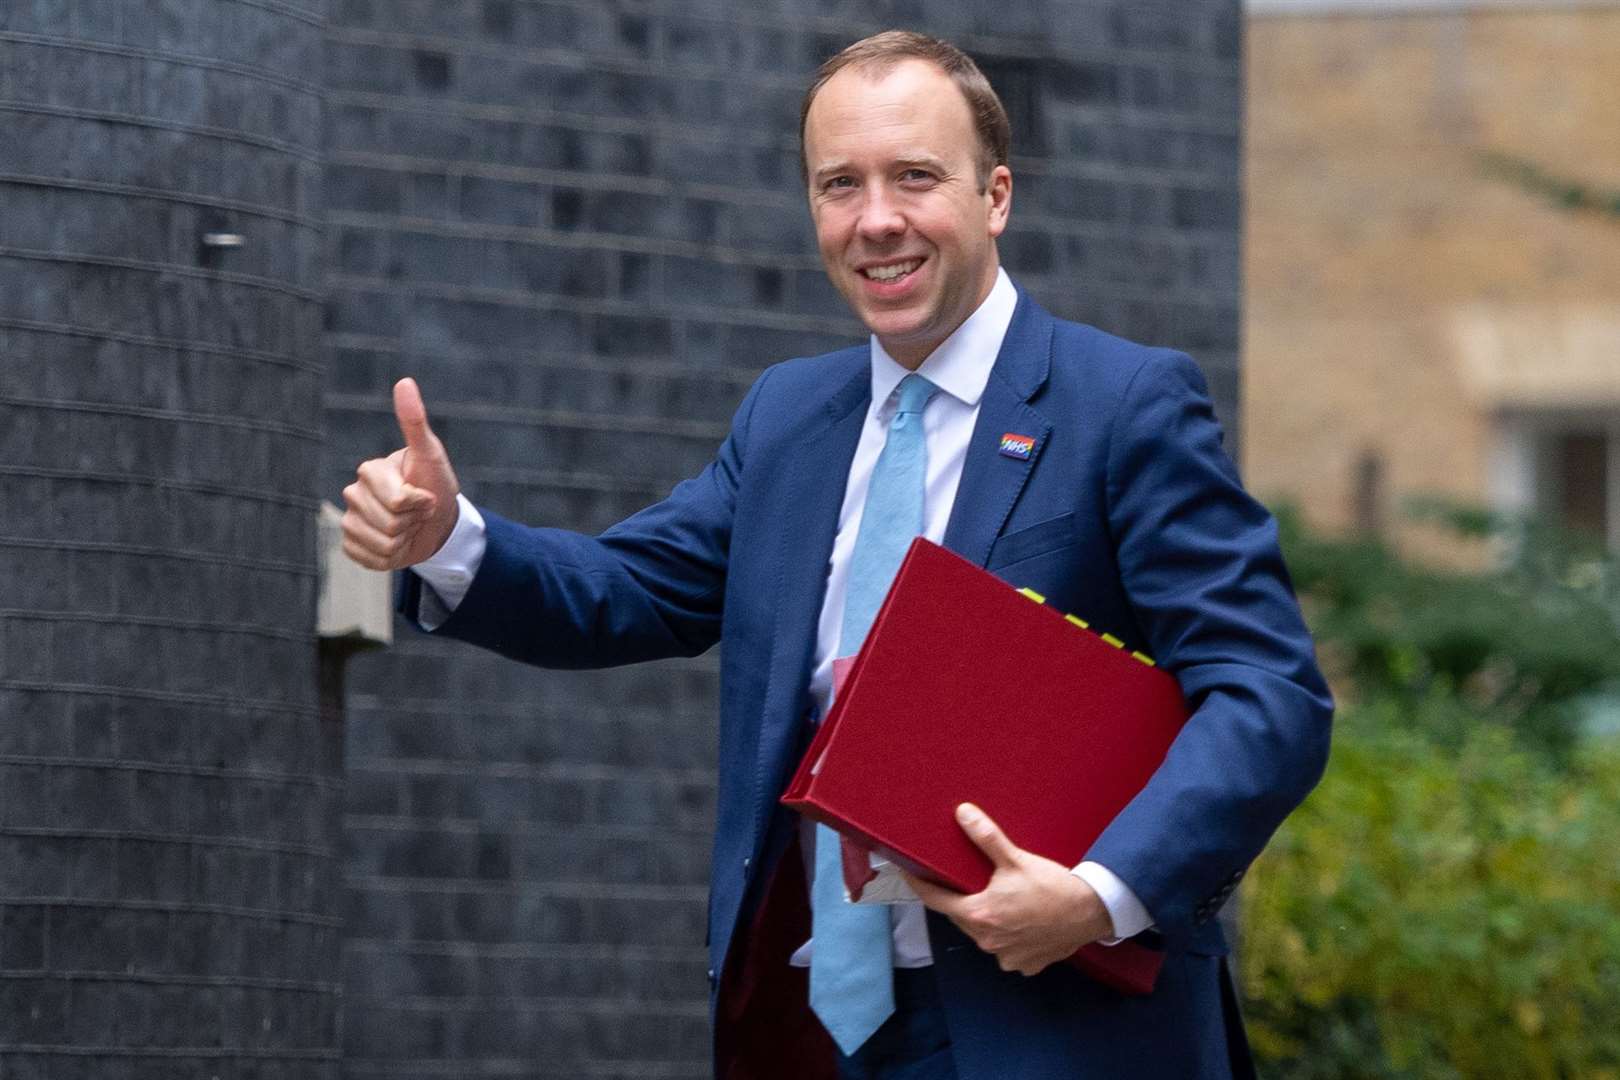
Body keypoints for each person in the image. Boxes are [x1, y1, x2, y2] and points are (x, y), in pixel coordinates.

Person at [342, 30, 1332, 1080]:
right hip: (811, 1031)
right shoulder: (787, 419)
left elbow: (1268, 696)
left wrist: (1098, 896)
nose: (877, 221)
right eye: (839, 185)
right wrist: (449, 539)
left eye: (915, 177)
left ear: (996, 196)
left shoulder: (1122, 406)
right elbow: (626, 591)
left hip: (1055, 1029)